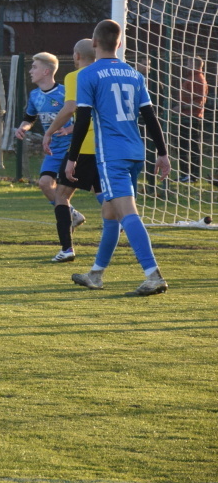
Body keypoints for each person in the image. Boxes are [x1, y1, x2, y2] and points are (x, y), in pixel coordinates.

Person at [65, 19, 171, 296]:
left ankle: (153, 275)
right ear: (119, 43)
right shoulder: (134, 74)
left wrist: (72, 158)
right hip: (136, 153)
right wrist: (162, 153)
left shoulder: (88, 74)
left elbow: (82, 119)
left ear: (94, 42)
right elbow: (150, 117)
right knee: (110, 212)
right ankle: (96, 274)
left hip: (112, 156)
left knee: (126, 213)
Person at [13, 52, 86, 246]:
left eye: (34, 67)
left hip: (72, 148)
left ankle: (117, 217)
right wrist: (23, 128)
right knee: (45, 183)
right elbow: (30, 118)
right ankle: (72, 214)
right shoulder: (35, 95)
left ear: (46, 71)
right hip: (53, 150)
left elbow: (84, 117)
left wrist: (69, 129)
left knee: (87, 187)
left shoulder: (65, 92)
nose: (30, 71)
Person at [42, 39, 103, 262]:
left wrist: (50, 131)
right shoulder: (104, 75)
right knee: (104, 194)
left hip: (84, 145)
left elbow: (70, 108)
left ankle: (67, 249)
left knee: (61, 195)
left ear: (77, 55)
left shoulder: (74, 77)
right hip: (106, 146)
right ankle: (124, 227)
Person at [173, 56, 208, 183]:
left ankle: (193, 175)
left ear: (195, 64)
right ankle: (185, 174)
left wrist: (181, 107)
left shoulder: (198, 79)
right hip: (185, 117)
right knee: (181, 145)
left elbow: (198, 103)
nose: (186, 65)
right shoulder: (191, 77)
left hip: (192, 117)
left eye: (189, 62)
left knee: (192, 146)